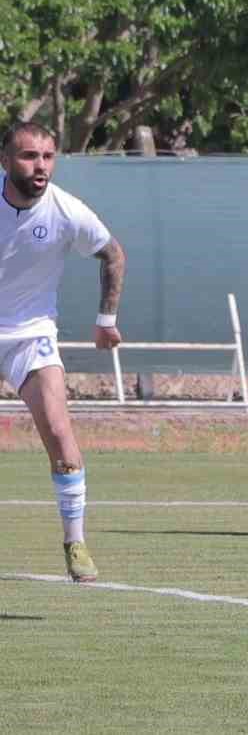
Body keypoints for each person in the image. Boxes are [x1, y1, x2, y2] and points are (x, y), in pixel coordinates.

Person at [0, 123, 126, 582]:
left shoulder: (66, 211)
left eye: (48, 157)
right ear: (5, 161)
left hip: (31, 335)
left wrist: (107, 321)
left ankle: (75, 541)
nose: (40, 166)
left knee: (58, 432)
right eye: (29, 156)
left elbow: (113, 254)